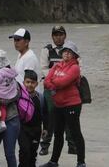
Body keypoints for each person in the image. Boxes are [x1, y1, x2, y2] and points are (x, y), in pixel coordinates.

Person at [40, 41, 86, 167]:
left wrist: (54, 82)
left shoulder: (75, 67)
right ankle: (54, 161)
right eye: (65, 51)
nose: (66, 53)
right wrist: (55, 82)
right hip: (58, 104)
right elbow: (46, 82)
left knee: (75, 132)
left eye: (69, 52)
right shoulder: (57, 66)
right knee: (58, 133)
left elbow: (62, 83)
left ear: (74, 55)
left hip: (72, 104)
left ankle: (81, 162)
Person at [0, 49, 20, 167]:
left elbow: (18, 94)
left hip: (10, 118)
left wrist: (2, 99)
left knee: (9, 153)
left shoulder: (9, 78)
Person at [39, 26, 66, 156]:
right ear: (52, 37)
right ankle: (45, 144)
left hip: (66, 88)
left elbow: (78, 66)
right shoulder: (47, 50)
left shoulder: (70, 50)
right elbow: (43, 68)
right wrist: (59, 76)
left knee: (68, 116)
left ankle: (72, 145)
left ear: (65, 36)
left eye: (60, 34)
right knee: (49, 116)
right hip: (50, 87)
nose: (58, 37)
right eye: (55, 35)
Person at [18, 70, 43, 167]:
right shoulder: (19, 96)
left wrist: (45, 128)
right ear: (23, 83)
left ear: (36, 84)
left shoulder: (40, 97)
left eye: (32, 83)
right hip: (23, 128)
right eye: (27, 82)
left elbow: (45, 114)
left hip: (36, 130)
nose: (30, 85)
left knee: (33, 152)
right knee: (24, 151)